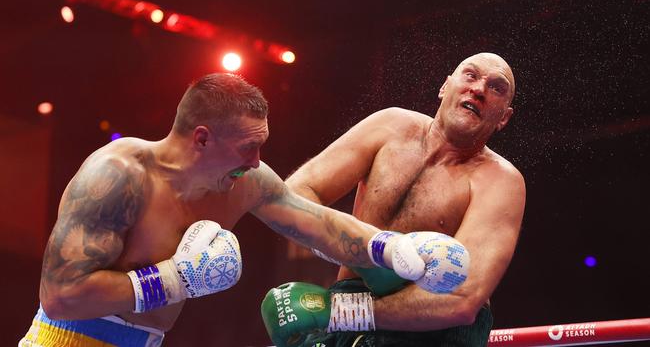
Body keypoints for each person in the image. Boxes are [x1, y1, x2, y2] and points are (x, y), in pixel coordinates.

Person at [19, 73, 436, 346]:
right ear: (202, 139)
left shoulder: (245, 182)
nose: (256, 161)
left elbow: (319, 224)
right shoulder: (117, 175)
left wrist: (396, 250)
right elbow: (61, 296)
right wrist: (173, 280)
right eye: (248, 147)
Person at [270, 53, 525, 346]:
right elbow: (295, 194)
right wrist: (351, 250)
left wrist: (339, 313)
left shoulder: (500, 181)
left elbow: (462, 299)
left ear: (503, 117)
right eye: (470, 75)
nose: (479, 90)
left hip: (435, 333)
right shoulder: (389, 127)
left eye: (496, 88)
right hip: (351, 309)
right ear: (445, 87)